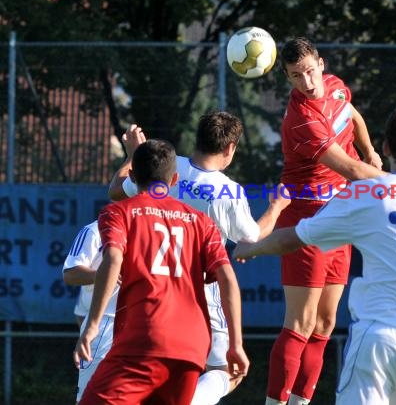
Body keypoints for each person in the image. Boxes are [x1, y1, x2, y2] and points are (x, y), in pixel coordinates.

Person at [234, 99, 396, 405]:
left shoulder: (366, 193)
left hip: (378, 339)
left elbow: (296, 237)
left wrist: (254, 247)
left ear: (386, 148)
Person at [108, 111, 290, 404]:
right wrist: (277, 207)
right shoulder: (229, 191)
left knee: (151, 365)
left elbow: (117, 191)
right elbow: (252, 237)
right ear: (230, 148)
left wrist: (133, 157)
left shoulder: (167, 167)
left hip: (151, 284)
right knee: (227, 371)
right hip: (200, 288)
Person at [74, 139, 249, 404]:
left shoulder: (119, 212)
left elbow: (112, 259)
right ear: (174, 178)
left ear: (132, 175)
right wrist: (236, 343)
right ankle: (218, 380)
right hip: (192, 346)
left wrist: (92, 326)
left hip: (143, 338)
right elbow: (227, 278)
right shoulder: (202, 222)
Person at [264, 37, 384, 405]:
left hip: (340, 217)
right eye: (296, 76)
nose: (308, 81)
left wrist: (371, 150)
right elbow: (346, 167)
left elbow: (352, 113)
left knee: (326, 323)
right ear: (287, 77)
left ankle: (301, 401)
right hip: (307, 218)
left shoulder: (333, 86)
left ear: (321, 63)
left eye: (311, 70)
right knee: (299, 323)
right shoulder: (301, 119)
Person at [63, 221, 119, 404]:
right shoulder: (94, 230)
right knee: (91, 399)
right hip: (105, 324)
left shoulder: (154, 226)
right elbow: (70, 273)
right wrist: (103, 274)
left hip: (147, 325)